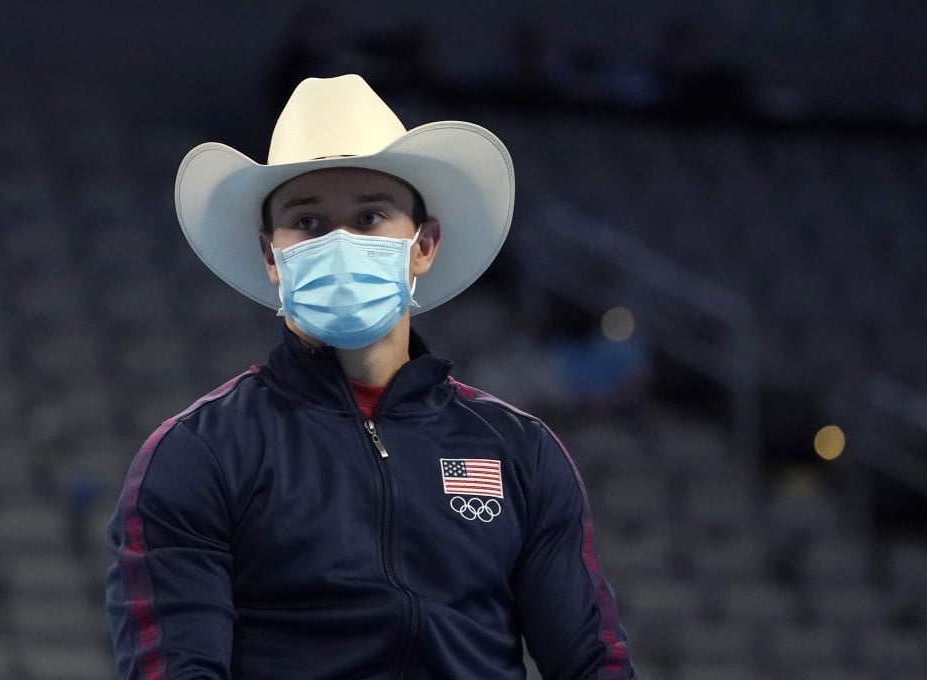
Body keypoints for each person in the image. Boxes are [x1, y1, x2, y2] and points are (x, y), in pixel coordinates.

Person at [105, 74, 635, 680]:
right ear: (270, 257)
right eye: (307, 223)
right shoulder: (200, 453)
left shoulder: (521, 451)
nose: (339, 243)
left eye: (369, 217)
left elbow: (594, 664)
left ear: (424, 245)